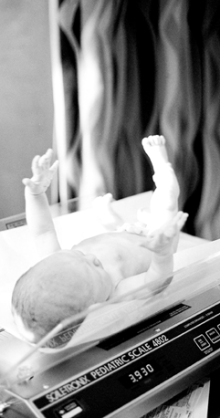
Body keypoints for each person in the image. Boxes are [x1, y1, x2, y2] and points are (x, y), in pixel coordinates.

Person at [11, 135, 188, 344]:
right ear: (94, 309)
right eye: (95, 268)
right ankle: (162, 165)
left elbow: (43, 231)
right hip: (155, 240)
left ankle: (112, 220)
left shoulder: (55, 261)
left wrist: (35, 194)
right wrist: (162, 253)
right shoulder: (116, 291)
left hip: (125, 232)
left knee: (112, 224)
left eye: (79, 254)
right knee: (167, 200)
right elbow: (154, 282)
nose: (93, 258)